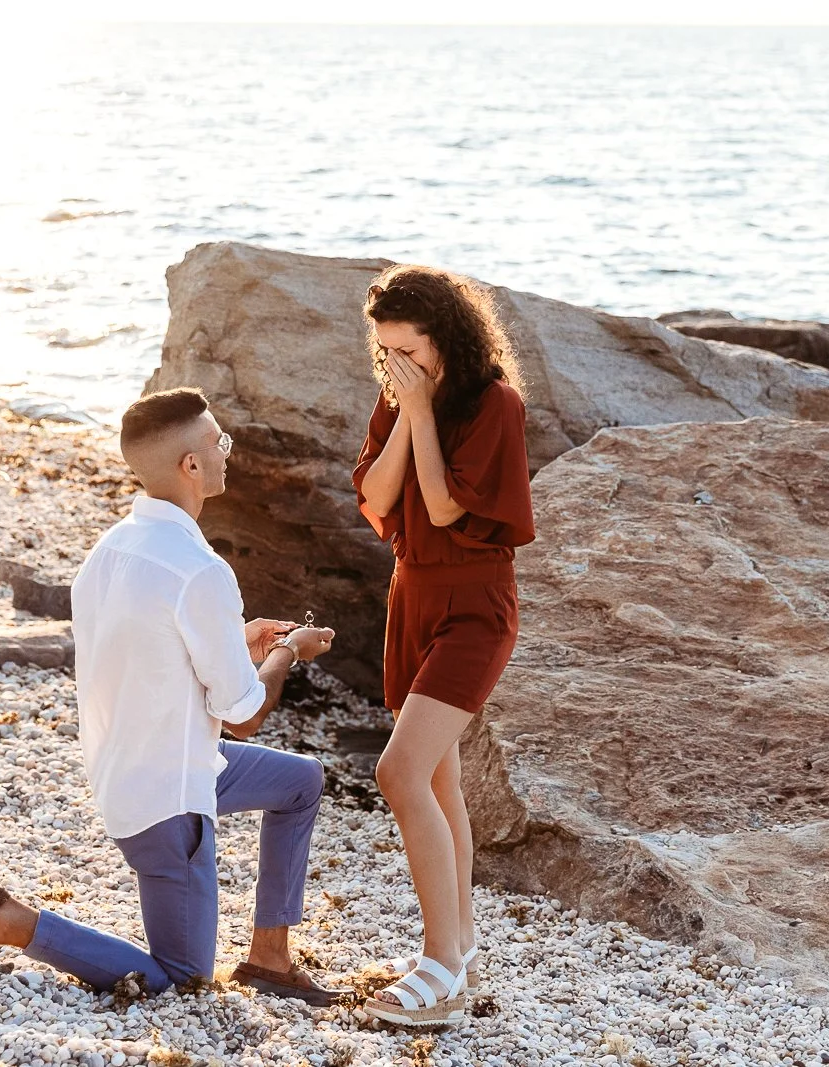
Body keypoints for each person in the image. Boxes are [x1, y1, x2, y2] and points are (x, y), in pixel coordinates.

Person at [0, 387, 345, 1006]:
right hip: (166, 806)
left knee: (300, 781)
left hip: (138, 768)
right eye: (218, 442)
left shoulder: (109, 551)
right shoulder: (200, 570)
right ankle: (9, 922)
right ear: (191, 466)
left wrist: (237, 639)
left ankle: (269, 959)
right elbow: (247, 716)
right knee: (183, 979)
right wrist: (289, 651)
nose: (228, 452)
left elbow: (152, 655)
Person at [351, 266, 536, 1027]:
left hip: (473, 605)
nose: (397, 366)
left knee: (398, 772)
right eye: (385, 351)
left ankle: (439, 969)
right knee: (439, 782)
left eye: (410, 351)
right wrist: (404, 408)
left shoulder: (495, 403)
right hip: (413, 595)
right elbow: (377, 499)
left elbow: (441, 502)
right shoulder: (399, 397)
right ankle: (455, 945)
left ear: (446, 339)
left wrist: (421, 410)